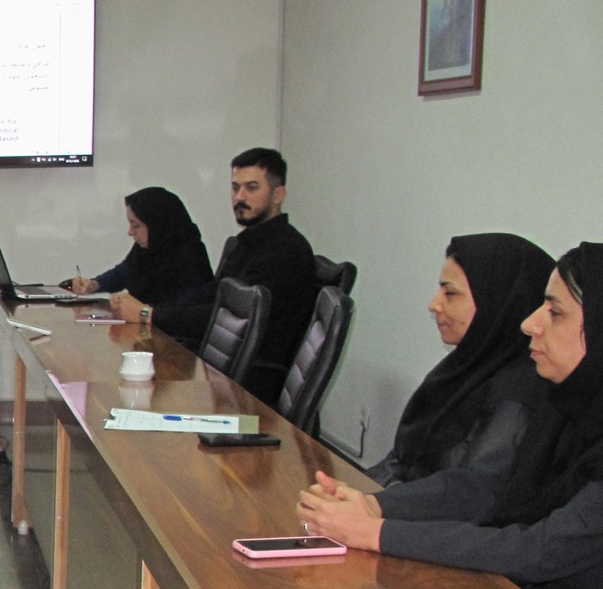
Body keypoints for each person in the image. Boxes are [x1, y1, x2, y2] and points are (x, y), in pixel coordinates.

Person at [299, 244, 603, 589]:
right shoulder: (566, 403)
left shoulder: (542, 396)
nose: (530, 323)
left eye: (556, 313)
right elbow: (488, 488)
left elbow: (540, 550)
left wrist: (375, 533)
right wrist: (375, 506)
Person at [111, 148, 320, 407]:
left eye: (251, 188)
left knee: (139, 397)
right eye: (235, 188)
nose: (239, 197)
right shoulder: (247, 243)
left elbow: (224, 319)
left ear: (278, 194)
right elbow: (210, 297)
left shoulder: (283, 252)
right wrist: (149, 311)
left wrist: (147, 314)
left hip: (250, 391)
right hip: (226, 374)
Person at [367, 233, 555, 485]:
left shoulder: (516, 397)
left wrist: (370, 502)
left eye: (450, 293)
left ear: (495, 301)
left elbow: (468, 493)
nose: (434, 304)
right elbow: (402, 461)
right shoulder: (465, 366)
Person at [64, 186, 214, 310]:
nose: (130, 232)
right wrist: (94, 284)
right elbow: (124, 272)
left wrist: (141, 311)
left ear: (157, 225)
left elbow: (183, 313)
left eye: (136, 226)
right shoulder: (151, 248)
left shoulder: (190, 259)